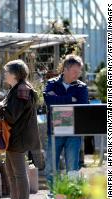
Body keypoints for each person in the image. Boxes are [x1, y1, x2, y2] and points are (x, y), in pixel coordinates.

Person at [0, 59, 41, 199]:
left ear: (15, 74)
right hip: (13, 137)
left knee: (19, 174)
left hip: (18, 138)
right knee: (12, 173)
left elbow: (12, 116)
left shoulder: (22, 89)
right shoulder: (17, 88)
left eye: (7, 72)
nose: (5, 74)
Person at [43, 55, 88, 183]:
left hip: (74, 132)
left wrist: (59, 100)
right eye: (75, 71)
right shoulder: (52, 84)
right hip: (55, 131)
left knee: (72, 168)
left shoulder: (82, 87)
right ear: (65, 69)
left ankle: (71, 196)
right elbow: (49, 102)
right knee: (51, 168)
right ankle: (53, 195)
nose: (78, 74)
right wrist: (70, 99)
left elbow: (83, 106)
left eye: (79, 72)